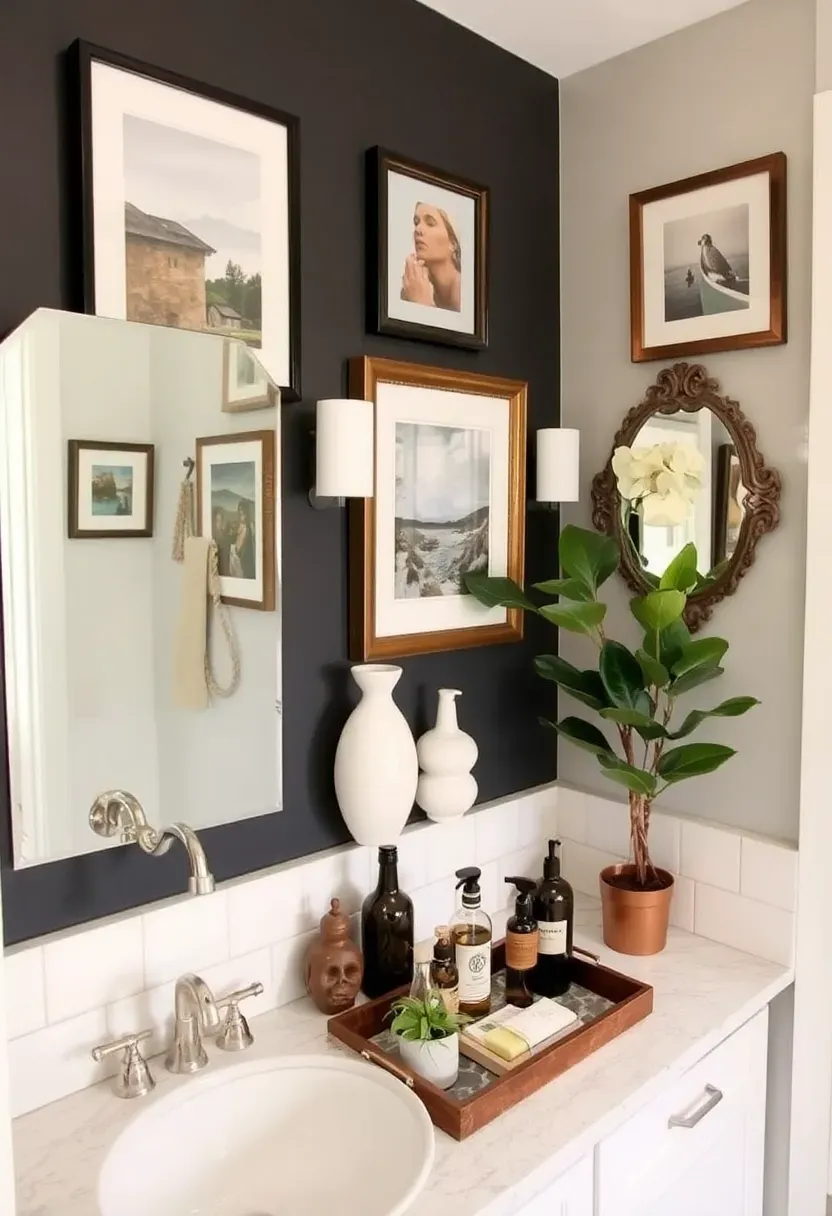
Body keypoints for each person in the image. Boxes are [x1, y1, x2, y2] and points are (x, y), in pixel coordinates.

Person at [400, 202, 462, 312]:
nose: (418, 229)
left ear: (453, 243)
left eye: (430, 223)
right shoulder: (415, 284)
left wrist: (421, 302)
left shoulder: (463, 292)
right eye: (416, 222)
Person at [235, 500, 256, 579]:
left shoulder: (250, 526)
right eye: (239, 511)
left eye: (243, 512)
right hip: (240, 560)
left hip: (247, 561)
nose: (241, 514)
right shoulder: (240, 526)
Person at [212, 507, 231, 576]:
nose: (217, 524)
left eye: (219, 521)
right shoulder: (211, 536)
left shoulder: (225, 538)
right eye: (216, 521)